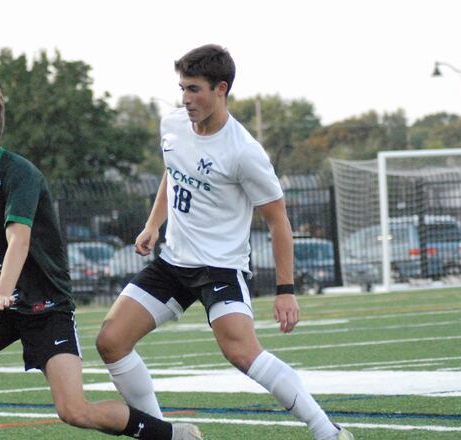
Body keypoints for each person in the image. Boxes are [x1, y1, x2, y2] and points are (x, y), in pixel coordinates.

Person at [0, 86, 201, 440]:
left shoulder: (20, 173)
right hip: (0, 303)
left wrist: (4, 291)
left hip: (45, 307)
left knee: (75, 411)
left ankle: (168, 434)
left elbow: (18, 241)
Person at [95, 45, 354, 440]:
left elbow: (278, 220)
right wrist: (153, 225)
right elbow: (173, 172)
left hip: (220, 267)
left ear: (221, 89)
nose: (185, 99)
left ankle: (328, 432)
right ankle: (164, 434)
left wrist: (286, 290)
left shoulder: (244, 152)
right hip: (172, 263)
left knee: (242, 354)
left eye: (194, 89)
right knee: (111, 341)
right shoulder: (173, 125)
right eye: (182, 88)